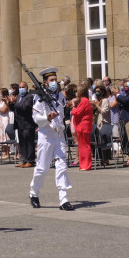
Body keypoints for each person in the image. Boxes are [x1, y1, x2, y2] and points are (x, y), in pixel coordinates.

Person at [28, 67, 74, 211]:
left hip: (59, 135)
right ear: (45, 83)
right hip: (46, 135)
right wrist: (47, 118)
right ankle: (34, 193)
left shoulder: (60, 96)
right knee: (42, 168)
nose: (54, 82)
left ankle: (63, 199)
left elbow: (62, 112)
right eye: (51, 80)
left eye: (55, 79)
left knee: (62, 166)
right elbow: (35, 118)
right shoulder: (39, 97)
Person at [12, 81, 36, 168]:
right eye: (20, 87)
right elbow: (15, 108)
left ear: (26, 87)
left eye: (23, 87)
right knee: (22, 142)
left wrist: (15, 103)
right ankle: (24, 160)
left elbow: (25, 107)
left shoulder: (30, 97)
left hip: (28, 123)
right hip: (20, 124)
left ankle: (31, 160)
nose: (21, 88)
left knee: (29, 142)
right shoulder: (18, 97)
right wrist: (10, 103)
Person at [71, 83, 93, 171]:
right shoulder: (84, 101)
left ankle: (86, 164)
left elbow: (77, 112)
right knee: (82, 146)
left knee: (85, 146)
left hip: (83, 126)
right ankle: (83, 164)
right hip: (81, 126)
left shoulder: (84, 101)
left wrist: (73, 107)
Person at [0, 88, 11, 159]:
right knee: (1, 135)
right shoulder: (1, 101)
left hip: (5, 119)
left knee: (5, 136)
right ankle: (4, 152)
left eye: (0, 93)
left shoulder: (5, 101)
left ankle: (7, 152)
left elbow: (4, 110)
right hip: (0, 119)